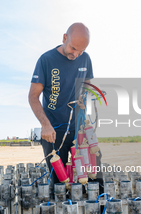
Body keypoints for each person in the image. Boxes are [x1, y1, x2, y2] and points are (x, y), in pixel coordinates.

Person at [28, 23, 94, 185]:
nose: (76, 54)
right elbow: (33, 96)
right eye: (73, 49)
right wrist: (45, 125)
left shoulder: (85, 59)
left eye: (81, 51)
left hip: (79, 129)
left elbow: (87, 86)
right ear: (64, 38)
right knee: (59, 183)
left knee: (89, 178)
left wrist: (85, 99)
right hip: (53, 132)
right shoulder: (46, 60)